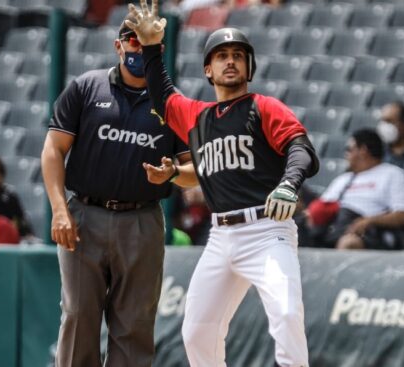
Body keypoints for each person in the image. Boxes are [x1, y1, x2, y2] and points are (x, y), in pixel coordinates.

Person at [126, 2, 319, 365]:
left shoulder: (264, 107)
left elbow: (301, 149)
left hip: (267, 230)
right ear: (208, 69)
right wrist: (152, 47)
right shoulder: (197, 117)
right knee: (197, 331)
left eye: (237, 55)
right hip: (220, 237)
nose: (230, 61)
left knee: (288, 314)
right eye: (221, 56)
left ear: (249, 66)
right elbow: (162, 94)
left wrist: (290, 184)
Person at [41, 13, 192, 367]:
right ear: (118, 45)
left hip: (142, 221)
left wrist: (172, 173)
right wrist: (60, 210)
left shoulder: (172, 104)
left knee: (134, 323)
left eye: (145, 41)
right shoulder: (86, 87)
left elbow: (194, 173)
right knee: (78, 315)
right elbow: (53, 150)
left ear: (159, 48)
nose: (137, 47)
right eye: (132, 39)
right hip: (84, 217)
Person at [307, 129, 404, 250]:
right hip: (334, 227)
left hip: (371, 232)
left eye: (349, 149)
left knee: (349, 243)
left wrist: (369, 221)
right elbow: (324, 207)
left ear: (363, 150)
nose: (345, 154)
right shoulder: (343, 179)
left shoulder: (394, 174)